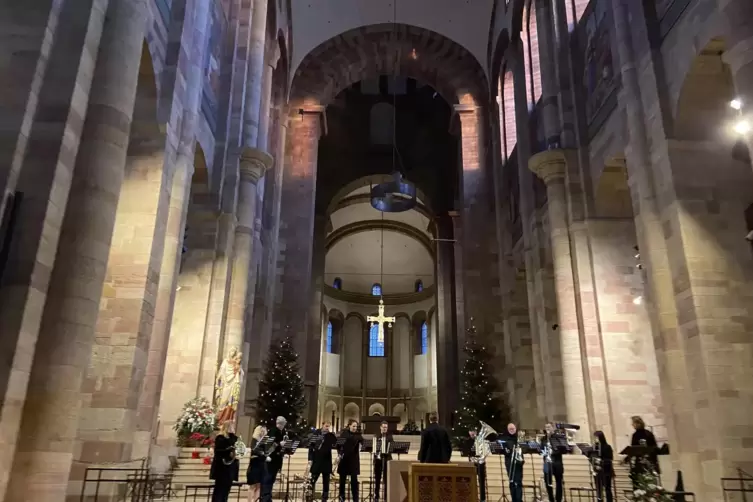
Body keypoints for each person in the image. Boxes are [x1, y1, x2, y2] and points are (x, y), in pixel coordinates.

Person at [210, 420, 239, 502]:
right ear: (227, 427)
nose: (233, 428)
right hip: (222, 467)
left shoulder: (234, 438)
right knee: (219, 490)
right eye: (232, 426)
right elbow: (218, 451)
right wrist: (228, 451)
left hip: (231, 467)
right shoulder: (220, 437)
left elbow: (238, 448)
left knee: (226, 489)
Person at [260, 416, 288, 502]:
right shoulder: (273, 431)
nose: (283, 426)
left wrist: (284, 451)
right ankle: (265, 498)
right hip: (271, 459)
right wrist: (280, 443)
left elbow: (281, 445)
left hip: (277, 459)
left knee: (272, 479)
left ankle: (268, 498)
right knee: (268, 479)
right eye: (282, 424)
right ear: (279, 424)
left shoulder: (282, 432)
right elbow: (269, 445)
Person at [308, 422, 337, 502]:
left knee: (326, 481)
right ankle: (310, 496)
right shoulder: (316, 434)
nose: (327, 428)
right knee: (313, 479)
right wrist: (310, 459)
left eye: (329, 426)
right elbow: (311, 447)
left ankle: (325, 498)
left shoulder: (330, 435)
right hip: (317, 460)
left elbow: (336, 444)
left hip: (326, 461)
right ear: (322, 425)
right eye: (326, 426)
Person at [628, 416, 659, 487]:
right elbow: (633, 449)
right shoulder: (635, 435)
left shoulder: (648, 434)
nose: (632, 425)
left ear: (638, 423)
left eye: (633, 423)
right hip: (640, 463)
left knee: (649, 483)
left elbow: (654, 448)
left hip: (648, 462)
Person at [337, 419, 363, 502]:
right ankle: (341, 498)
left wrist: (362, 446)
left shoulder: (358, 435)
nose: (355, 428)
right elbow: (338, 445)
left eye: (356, 426)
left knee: (354, 481)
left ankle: (355, 499)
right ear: (349, 426)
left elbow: (364, 443)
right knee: (342, 480)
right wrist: (339, 454)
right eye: (353, 426)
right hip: (344, 460)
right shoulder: (344, 434)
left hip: (353, 461)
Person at [541, 422, 565, 502]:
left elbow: (563, 450)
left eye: (549, 427)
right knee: (547, 482)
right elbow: (541, 450)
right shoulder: (543, 439)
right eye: (546, 427)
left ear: (553, 428)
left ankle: (558, 499)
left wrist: (553, 451)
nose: (547, 428)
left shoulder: (558, 438)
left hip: (557, 463)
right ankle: (551, 499)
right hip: (547, 463)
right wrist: (544, 452)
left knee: (558, 482)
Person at [500, 423, 523, 502]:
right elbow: (504, 451)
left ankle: (519, 500)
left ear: (515, 429)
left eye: (513, 429)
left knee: (519, 482)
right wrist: (509, 451)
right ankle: (514, 499)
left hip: (519, 462)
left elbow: (524, 448)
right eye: (510, 429)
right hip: (509, 463)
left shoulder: (519, 438)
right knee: (512, 482)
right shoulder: (505, 439)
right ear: (508, 430)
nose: (512, 430)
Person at [373, 421, 394, 501]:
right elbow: (374, 447)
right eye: (384, 427)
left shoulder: (389, 436)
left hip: (386, 460)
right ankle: (376, 496)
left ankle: (386, 497)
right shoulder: (376, 435)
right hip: (378, 460)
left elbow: (392, 446)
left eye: (386, 427)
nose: (385, 429)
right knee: (377, 479)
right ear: (380, 427)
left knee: (386, 480)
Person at [246, 425, 268, 502]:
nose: (262, 432)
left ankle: (256, 500)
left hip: (261, 464)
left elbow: (266, 452)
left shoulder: (264, 441)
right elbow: (254, 450)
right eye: (261, 431)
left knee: (259, 486)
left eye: (264, 431)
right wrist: (262, 453)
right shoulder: (254, 440)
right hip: (254, 465)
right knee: (252, 486)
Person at [469, 428, 490, 502]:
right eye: (471, 432)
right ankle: (472, 497)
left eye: (473, 432)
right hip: (472, 463)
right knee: (471, 480)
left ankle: (482, 499)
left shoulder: (481, 440)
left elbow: (486, 451)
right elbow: (467, 451)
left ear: (476, 432)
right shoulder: (468, 441)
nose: (472, 433)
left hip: (481, 463)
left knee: (481, 481)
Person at [593, 430, 614, 502]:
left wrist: (601, 460)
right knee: (599, 490)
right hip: (597, 471)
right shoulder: (595, 448)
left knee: (607, 489)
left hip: (606, 470)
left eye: (596, 438)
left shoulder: (607, 447)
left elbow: (610, 459)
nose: (595, 439)